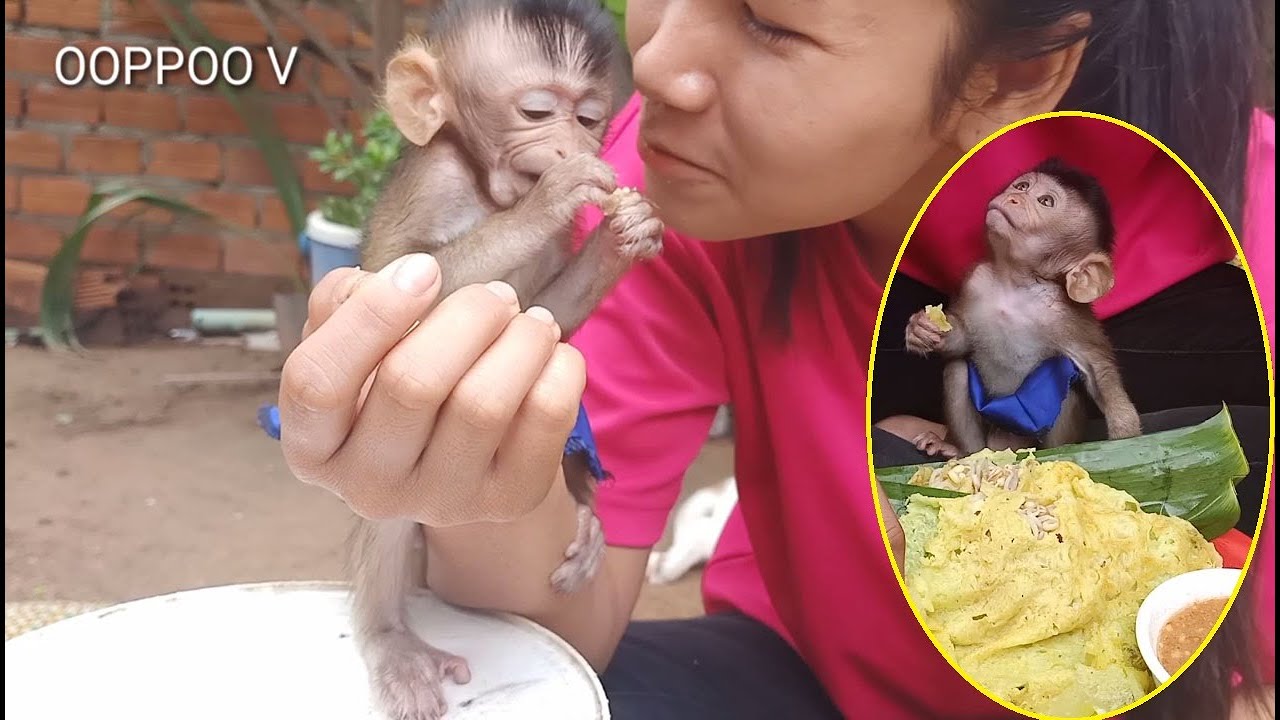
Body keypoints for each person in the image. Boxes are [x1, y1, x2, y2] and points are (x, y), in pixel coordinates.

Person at [277, 1, 1275, 718]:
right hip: (795, 673)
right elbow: (560, 615)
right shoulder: (668, 179)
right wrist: (476, 479)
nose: (661, 57)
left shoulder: (1232, 271)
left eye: (768, 22)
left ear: (1008, 77)